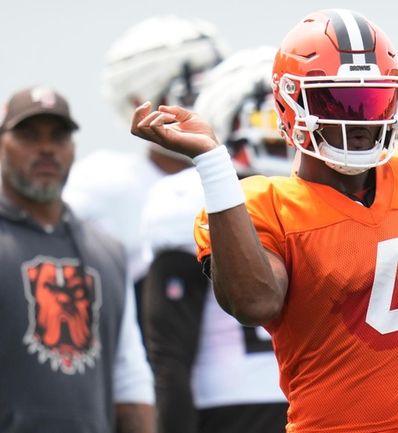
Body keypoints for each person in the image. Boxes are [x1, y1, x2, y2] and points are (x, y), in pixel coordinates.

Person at [129, 9, 398, 433]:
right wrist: (213, 165)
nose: (357, 121)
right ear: (289, 103)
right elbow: (254, 304)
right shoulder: (263, 204)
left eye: (372, 101)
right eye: (336, 100)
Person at [140, 48, 291, 433]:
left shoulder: (308, 199)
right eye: (265, 116)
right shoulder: (187, 202)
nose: (279, 132)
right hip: (230, 411)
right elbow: (170, 357)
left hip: (307, 401)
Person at [0, 86, 155, 432]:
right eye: (28, 135)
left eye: (59, 137)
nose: (46, 149)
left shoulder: (107, 251)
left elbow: (129, 374)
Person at [64, 15, 227, 287]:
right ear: (142, 103)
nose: (207, 109)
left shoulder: (238, 177)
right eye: (192, 96)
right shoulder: (104, 183)